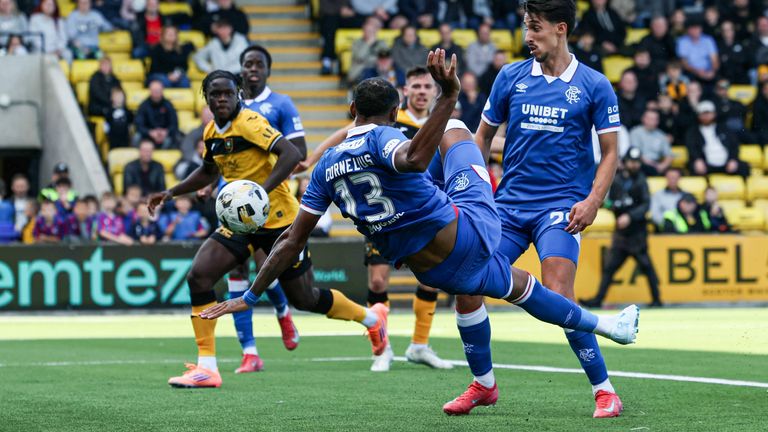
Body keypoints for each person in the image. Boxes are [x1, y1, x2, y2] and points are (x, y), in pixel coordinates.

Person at [199, 53, 639, 415]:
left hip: (439, 271)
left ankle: (522, 369)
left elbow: (290, 241)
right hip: (473, 227)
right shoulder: (385, 140)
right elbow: (409, 157)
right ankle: (592, 339)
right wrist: (449, 95)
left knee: (518, 287)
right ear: (394, 114)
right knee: (454, 130)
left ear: (351, 112)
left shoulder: (327, 170)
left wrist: (252, 295)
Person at [147, 70, 391, 389]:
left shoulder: (250, 123)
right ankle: (207, 367)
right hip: (241, 222)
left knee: (304, 298)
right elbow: (208, 171)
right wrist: (172, 192)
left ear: (239, 96)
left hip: (279, 221)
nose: (221, 99)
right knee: (199, 275)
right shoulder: (211, 132)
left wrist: (260, 191)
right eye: (214, 94)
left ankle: (373, 319)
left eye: (227, 94)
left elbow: (291, 154)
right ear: (205, 98)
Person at [474, 0, 627, 418]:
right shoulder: (510, 77)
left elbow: (611, 152)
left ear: (560, 29)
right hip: (508, 205)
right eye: (526, 27)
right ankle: (483, 384)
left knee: (559, 291)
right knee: (468, 282)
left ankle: (604, 390)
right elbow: (481, 138)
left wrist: (593, 200)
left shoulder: (595, 85)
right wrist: (471, 190)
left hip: (561, 206)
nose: (528, 37)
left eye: (535, 28)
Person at [297, 66, 456, 373]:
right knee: (379, 280)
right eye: (416, 86)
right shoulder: (385, 122)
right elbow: (344, 134)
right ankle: (381, 347)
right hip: (386, 214)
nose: (422, 91)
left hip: (424, 207)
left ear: (435, 92)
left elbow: (472, 141)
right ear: (405, 93)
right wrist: (313, 159)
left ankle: (419, 345)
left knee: (431, 279)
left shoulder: (444, 122)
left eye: (427, 86)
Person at [225, 44, 306, 371]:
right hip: (230, 201)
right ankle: (249, 352)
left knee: (264, 267)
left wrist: (263, 180)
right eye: (247, 63)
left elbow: (298, 150)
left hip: (268, 202)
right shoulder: (229, 105)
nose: (252, 68)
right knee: (235, 270)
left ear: (268, 70)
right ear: (241, 69)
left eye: (258, 63)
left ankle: (283, 313)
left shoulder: (281, 104)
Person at [580, 148, 662, 308]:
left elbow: (646, 205)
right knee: (610, 267)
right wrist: (609, 206)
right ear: (625, 163)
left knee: (646, 266)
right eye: (632, 162)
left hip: (637, 233)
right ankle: (598, 299)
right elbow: (614, 203)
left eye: (637, 162)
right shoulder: (617, 180)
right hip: (621, 234)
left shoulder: (641, 180)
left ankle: (657, 300)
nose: (634, 165)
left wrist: (629, 216)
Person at [685, 100, 749, 178]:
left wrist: (733, 159)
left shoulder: (724, 129)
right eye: (703, 113)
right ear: (698, 115)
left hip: (727, 163)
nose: (706, 116)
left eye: (708, 113)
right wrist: (697, 159)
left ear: (714, 114)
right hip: (706, 164)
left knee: (744, 166)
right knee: (694, 167)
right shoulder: (693, 132)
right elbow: (692, 148)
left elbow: (734, 146)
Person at [134, 80, 179, 148]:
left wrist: (166, 132)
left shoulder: (168, 105)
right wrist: (150, 132)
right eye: (154, 90)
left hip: (164, 135)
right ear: (150, 91)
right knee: (136, 137)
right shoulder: (144, 106)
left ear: (162, 91)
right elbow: (138, 125)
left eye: (158, 90)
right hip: (148, 136)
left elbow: (174, 124)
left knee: (172, 139)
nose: (156, 93)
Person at [629, 109, 672, 176]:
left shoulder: (661, 135)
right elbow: (636, 153)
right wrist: (653, 165)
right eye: (650, 118)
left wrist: (662, 166)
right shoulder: (635, 132)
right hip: (641, 163)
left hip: (657, 164)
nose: (652, 121)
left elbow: (669, 155)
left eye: (655, 119)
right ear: (643, 119)